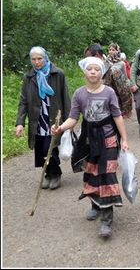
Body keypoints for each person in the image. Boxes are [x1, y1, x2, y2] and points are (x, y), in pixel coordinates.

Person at [51, 56, 129, 239]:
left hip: (108, 139)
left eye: (96, 69)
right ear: (84, 72)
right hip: (88, 139)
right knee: (91, 173)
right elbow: (73, 118)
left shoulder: (109, 92)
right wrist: (60, 128)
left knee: (107, 175)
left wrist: (124, 139)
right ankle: (95, 205)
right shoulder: (79, 93)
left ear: (102, 72)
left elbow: (117, 117)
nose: (93, 72)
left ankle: (106, 220)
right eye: (89, 69)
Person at [15, 46, 71, 190]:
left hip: (54, 117)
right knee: (40, 148)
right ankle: (47, 175)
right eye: (33, 59)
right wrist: (20, 123)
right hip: (37, 118)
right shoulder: (29, 77)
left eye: (39, 58)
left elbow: (65, 97)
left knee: (49, 147)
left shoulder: (57, 74)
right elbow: (23, 100)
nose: (37, 62)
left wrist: (69, 119)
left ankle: (55, 174)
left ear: (45, 57)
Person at [84, 43, 133, 118]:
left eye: (88, 58)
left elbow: (124, 89)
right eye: (109, 50)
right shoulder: (91, 69)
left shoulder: (115, 68)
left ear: (97, 55)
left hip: (113, 104)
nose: (87, 61)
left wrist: (126, 108)